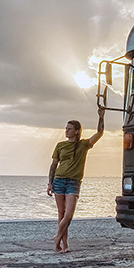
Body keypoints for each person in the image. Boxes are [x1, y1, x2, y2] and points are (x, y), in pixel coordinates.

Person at [47, 107, 105, 253]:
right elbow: (54, 165)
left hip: (73, 182)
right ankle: (63, 245)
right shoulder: (60, 145)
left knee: (69, 214)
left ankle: (57, 237)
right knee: (61, 214)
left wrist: (101, 117)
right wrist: (50, 182)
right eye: (66, 128)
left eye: (70, 129)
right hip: (59, 180)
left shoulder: (83, 145)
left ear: (77, 131)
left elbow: (99, 133)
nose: (66, 131)